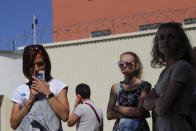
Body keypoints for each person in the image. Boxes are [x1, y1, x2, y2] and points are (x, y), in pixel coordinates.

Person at [143, 22, 196, 131]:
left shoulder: (182, 67)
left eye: (171, 37)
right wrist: (158, 101)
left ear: (180, 41)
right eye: (161, 38)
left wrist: (155, 101)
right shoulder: (164, 72)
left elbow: (162, 108)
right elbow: (145, 104)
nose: (165, 41)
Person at [10, 44, 69, 130]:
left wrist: (47, 92)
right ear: (26, 67)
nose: (36, 69)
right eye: (31, 65)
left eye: (40, 64)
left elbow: (65, 116)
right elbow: (13, 124)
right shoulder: (20, 90)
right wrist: (30, 100)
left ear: (46, 64)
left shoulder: (58, 85)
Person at [107, 51, 151, 131]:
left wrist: (117, 108)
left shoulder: (145, 86)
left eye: (128, 63)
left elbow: (139, 111)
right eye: (121, 64)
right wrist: (133, 112)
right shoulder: (115, 87)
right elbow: (109, 115)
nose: (124, 66)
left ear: (136, 66)